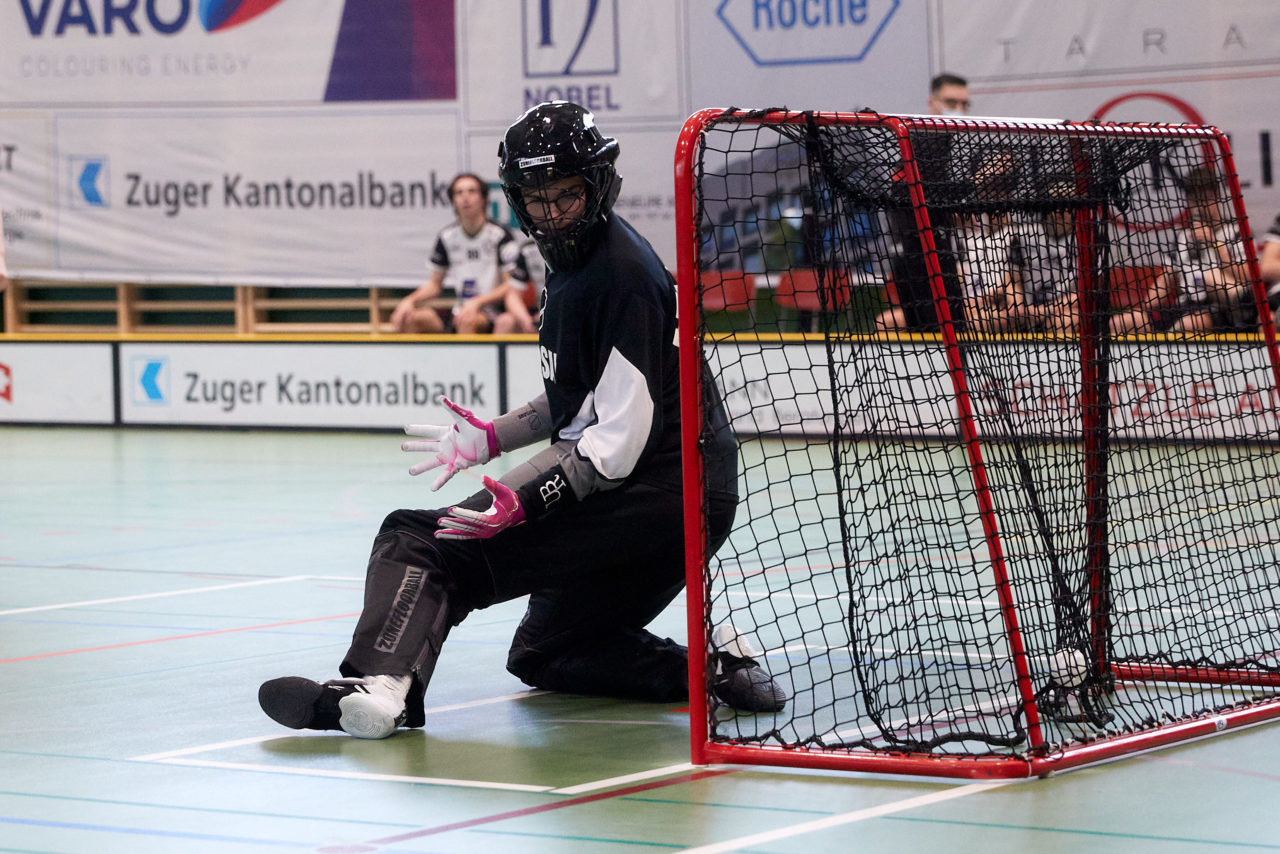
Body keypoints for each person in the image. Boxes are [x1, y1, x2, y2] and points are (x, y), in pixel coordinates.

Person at [257, 101, 786, 740]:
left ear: (600, 185)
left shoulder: (619, 276)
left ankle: (382, 686)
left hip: (655, 490)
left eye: (566, 194)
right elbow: (580, 402)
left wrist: (527, 501)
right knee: (547, 649)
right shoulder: (582, 266)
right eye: (536, 199)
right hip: (688, 497)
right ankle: (711, 669)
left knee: (420, 540)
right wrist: (491, 438)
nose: (553, 212)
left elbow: (614, 447)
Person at [875, 73, 971, 333]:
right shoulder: (918, 142)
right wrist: (976, 184)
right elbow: (913, 196)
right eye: (952, 102)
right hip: (920, 261)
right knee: (933, 337)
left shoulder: (962, 144)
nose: (959, 110)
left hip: (944, 258)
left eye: (964, 104)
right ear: (933, 103)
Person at [1111, 166, 1251, 336]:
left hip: (1221, 308)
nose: (1201, 207)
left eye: (1206, 199)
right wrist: (1144, 308)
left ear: (1218, 196)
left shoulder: (1235, 233)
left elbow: (1246, 277)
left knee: (1192, 323)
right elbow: (1167, 278)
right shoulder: (1182, 236)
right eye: (1195, 201)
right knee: (1122, 322)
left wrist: (1214, 243)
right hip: (1186, 304)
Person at [390, 173, 518, 334]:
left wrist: (477, 302)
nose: (465, 197)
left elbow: (510, 285)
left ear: (484, 199)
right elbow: (435, 285)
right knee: (409, 318)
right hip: (460, 308)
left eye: (472, 191)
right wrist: (409, 300)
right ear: (453, 201)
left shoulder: (500, 235)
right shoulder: (447, 237)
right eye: (459, 193)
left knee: (467, 320)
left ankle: (469, 360)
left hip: (491, 310)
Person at [492, 237, 545, 334]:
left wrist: (549, 312)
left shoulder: (575, 247)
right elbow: (512, 295)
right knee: (505, 321)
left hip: (566, 310)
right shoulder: (529, 250)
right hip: (540, 313)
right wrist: (526, 320)